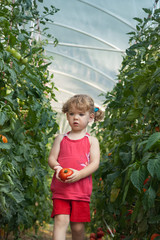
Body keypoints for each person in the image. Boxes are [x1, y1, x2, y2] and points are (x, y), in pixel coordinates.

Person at [48, 94, 104, 240]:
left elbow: (94, 163)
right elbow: (52, 158)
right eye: (71, 114)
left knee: (78, 227)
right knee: (61, 221)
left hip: (81, 191)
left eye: (81, 114)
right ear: (67, 116)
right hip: (61, 189)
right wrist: (58, 168)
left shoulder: (92, 141)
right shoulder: (61, 138)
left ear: (91, 117)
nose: (75, 118)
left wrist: (79, 175)